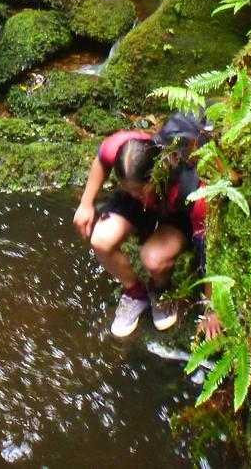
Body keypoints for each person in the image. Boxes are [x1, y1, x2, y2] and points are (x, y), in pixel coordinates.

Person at [72, 115, 216, 338]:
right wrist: (86, 203)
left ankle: (160, 289)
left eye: (140, 190)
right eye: (129, 189)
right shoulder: (127, 148)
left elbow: (208, 251)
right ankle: (136, 293)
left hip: (175, 213)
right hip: (145, 208)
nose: (136, 195)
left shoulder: (193, 190)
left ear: (156, 174)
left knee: (154, 259)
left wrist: (211, 308)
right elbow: (102, 159)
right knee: (100, 240)